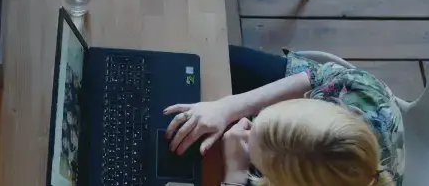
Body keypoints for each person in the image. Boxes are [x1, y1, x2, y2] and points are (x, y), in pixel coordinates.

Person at [165, 46, 403, 186]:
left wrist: (236, 172)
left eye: (257, 159)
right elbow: (314, 76)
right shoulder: (361, 91)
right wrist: (228, 107)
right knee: (209, 54)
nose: (246, 125)